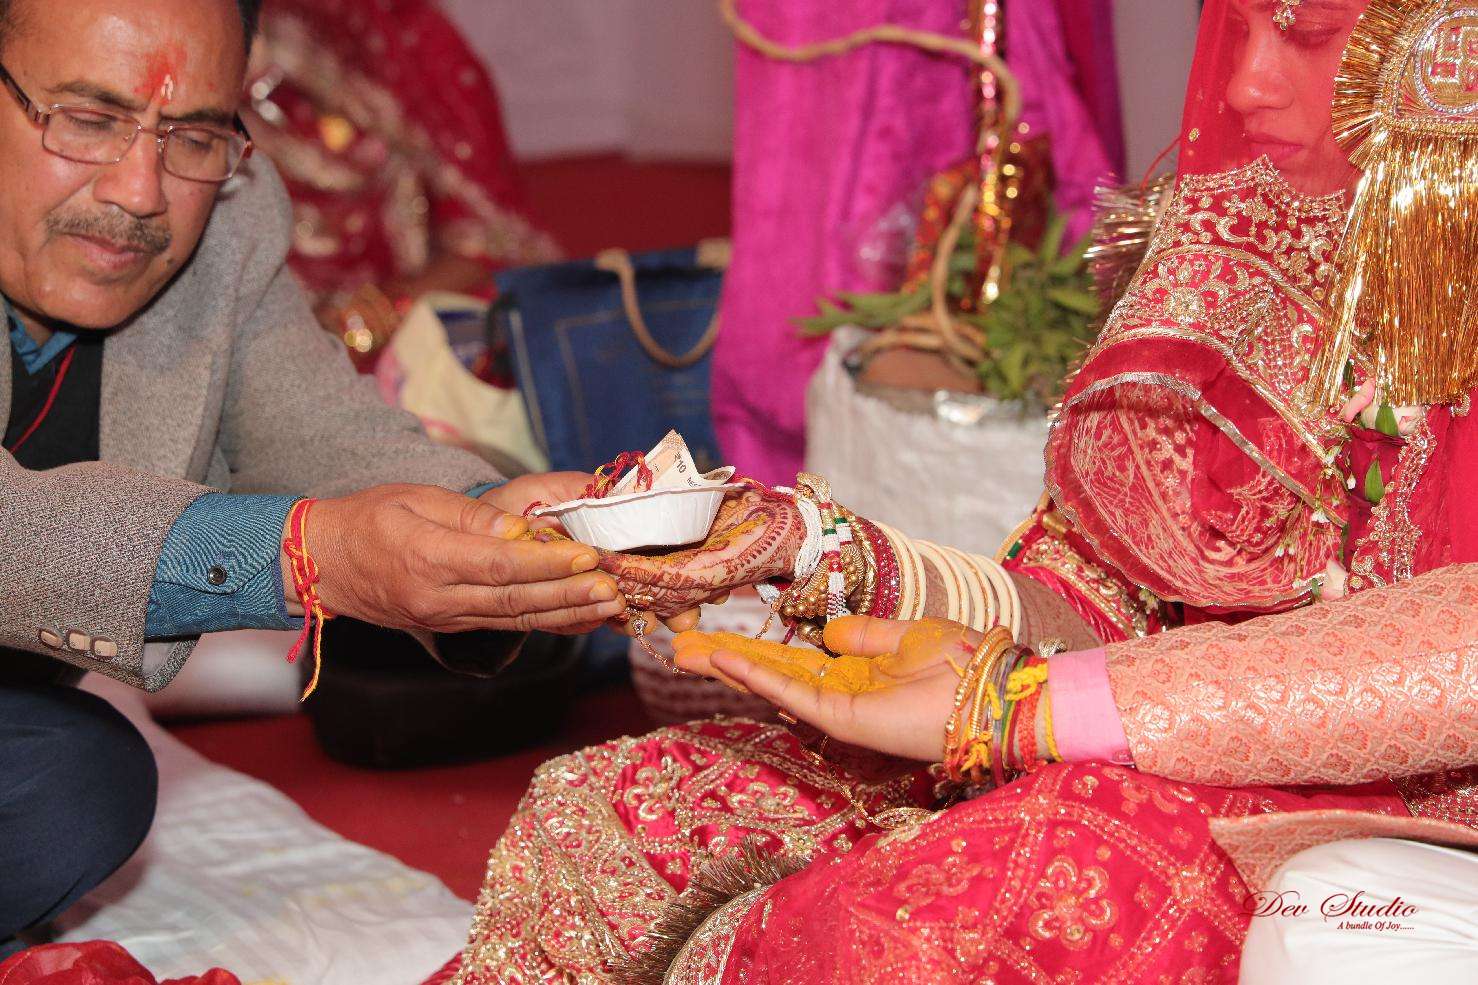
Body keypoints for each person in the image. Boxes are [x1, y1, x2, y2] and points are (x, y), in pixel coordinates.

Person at [435, 0, 1478, 981]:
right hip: (1119, 736)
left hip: (1400, 825)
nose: (1245, 84)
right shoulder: (1264, 245)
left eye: (1308, 31)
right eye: (1234, 22)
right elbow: (1101, 596)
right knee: (625, 807)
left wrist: (1014, 708)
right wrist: (816, 552)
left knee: (1013, 881)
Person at [0, 0, 642, 957]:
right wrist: (309, 554)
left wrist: (488, 522)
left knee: (76, 788)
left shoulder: (224, 215)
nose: (139, 192)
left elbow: (314, 423)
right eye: (88, 120)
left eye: (194, 134)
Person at [243, 0, 559, 359]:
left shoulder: (407, 33)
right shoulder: (211, 35)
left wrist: (359, 327)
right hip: (234, 353)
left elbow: (493, 242)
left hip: (398, 351)